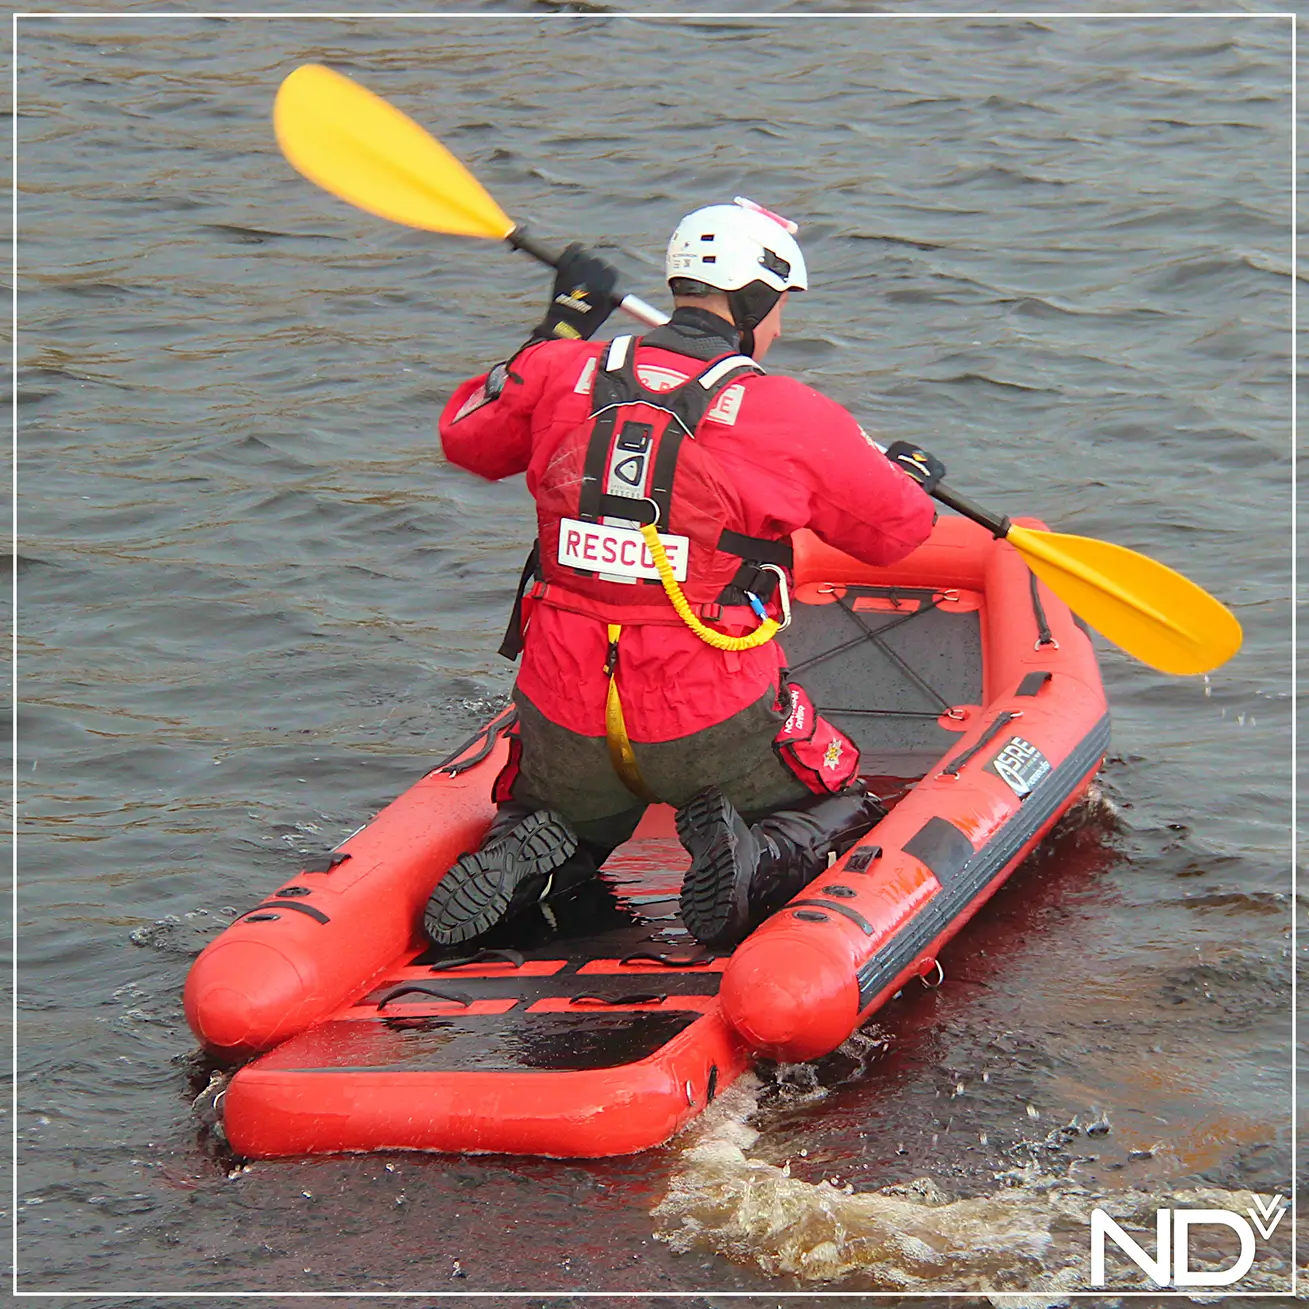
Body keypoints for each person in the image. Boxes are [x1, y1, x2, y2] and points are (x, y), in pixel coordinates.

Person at [428, 197, 943, 950]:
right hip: (706, 712)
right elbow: (899, 532)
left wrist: (558, 328)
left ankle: (535, 852)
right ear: (756, 300)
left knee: (561, 809)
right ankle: (757, 857)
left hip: (563, 703)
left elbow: (468, 438)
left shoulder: (561, 370)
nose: (779, 328)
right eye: (780, 308)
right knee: (839, 803)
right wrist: (910, 477)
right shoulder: (790, 413)